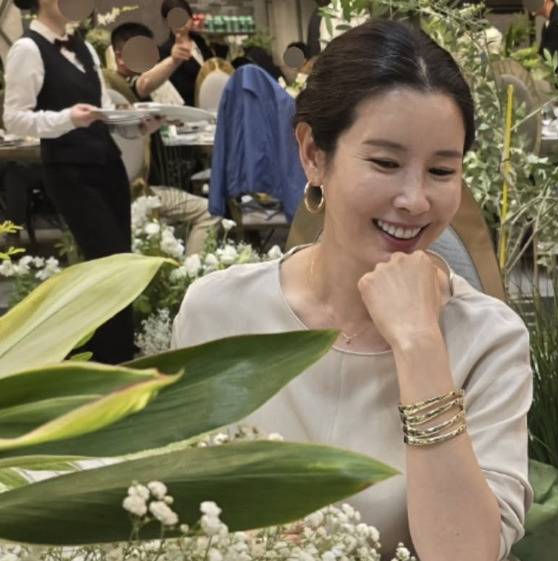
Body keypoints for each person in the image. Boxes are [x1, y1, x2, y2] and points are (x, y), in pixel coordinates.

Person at [172, 20, 532, 561]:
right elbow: (178, 507)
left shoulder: (489, 339)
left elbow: (465, 554)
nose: (415, 200)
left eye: (441, 170)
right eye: (385, 163)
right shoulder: (218, 313)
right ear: (313, 154)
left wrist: (417, 344)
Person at [4, 0, 159, 363]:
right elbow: (14, 119)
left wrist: (138, 126)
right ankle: (108, 360)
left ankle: (117, 354)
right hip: (69, 170)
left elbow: (103, 115)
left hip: (108, 165)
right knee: (107, 260)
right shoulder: (27, 49)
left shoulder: (86, 47)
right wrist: (67, 119)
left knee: (122, 263)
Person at [110, 21, 220, 255]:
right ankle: (192, 270)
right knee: (210, 211)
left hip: (148, 184)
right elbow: (142, 85)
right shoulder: (116, 85)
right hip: (139, 192)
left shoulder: (143, 85)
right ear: (120, 57)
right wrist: (174, 60)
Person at [159, 0, 214, 106]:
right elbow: (179, 88)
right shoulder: (165, 51)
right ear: (166, 21)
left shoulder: (200, 42)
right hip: (190, 108)